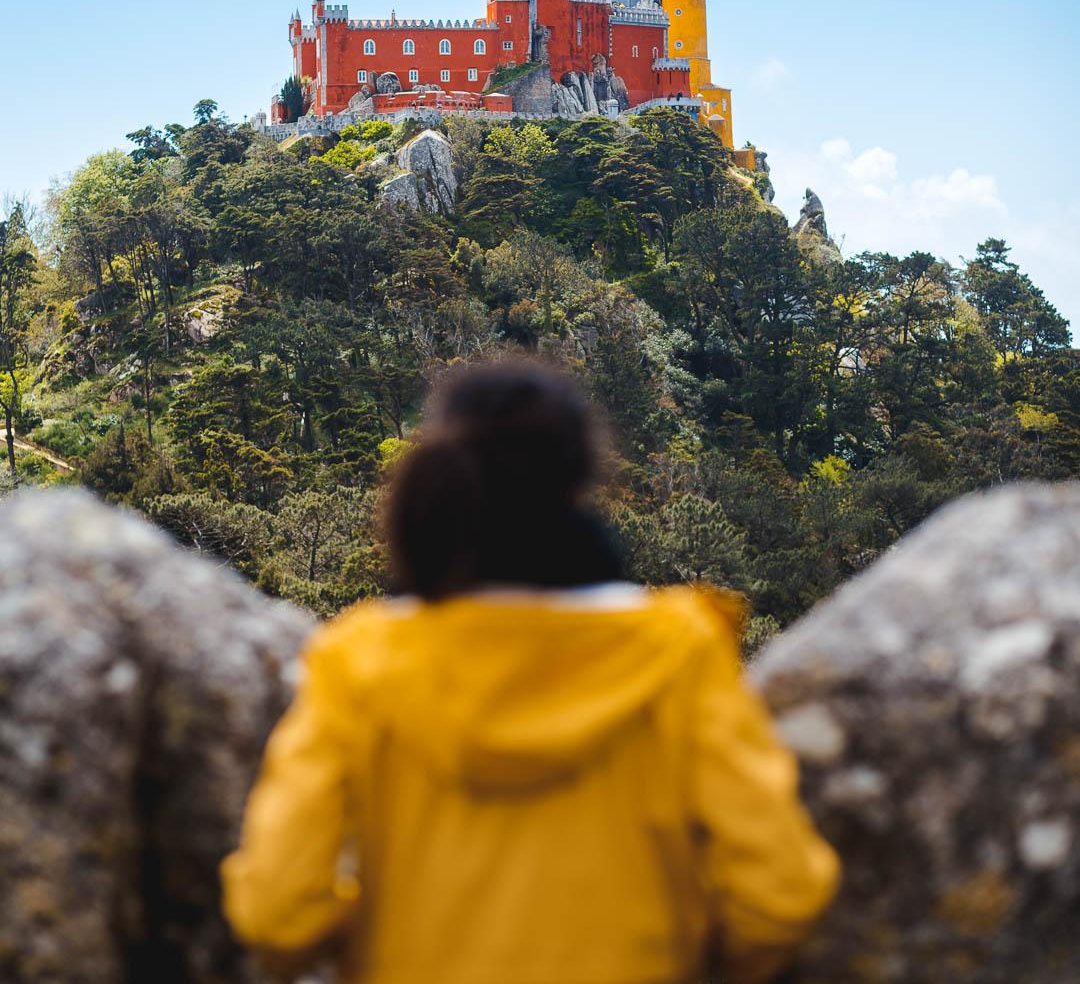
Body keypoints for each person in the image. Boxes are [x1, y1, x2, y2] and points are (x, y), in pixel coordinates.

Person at [222, 359, 838, 982]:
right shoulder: (677, 651)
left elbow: (278, 912)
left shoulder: (359, 659)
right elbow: (780, 895)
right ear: (579, 481)